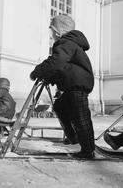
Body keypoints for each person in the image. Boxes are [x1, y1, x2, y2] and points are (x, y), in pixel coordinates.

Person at [30, 14, 95, 159]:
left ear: (58, 31)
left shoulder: (65, 43)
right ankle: (74, 136)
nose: (52, 35)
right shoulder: (71, 44)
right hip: (73, 84)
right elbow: (64, 67)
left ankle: (88, 149)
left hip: (77, 84)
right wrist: (50, 77)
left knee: (81, 117)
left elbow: (56, 62)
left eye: (52, 31)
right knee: (60, 106)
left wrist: (39, 71)